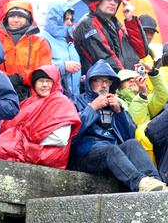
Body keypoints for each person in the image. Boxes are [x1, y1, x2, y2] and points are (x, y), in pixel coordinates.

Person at [69, 60, 167, 192]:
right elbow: (71, 134)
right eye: (99, 81)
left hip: (111, 154)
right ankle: (139, 182)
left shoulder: (114, 104)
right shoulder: (76, 100)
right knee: (110, 149)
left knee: (132, 144)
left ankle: (155, 181)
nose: (104, 85)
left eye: (107, 81)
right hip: (85, 156)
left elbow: (130, 135)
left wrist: (120, 112)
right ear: (90, 82)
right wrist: (92, 108)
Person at [0, 65, 81, 169]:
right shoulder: (29, 102)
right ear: (34, 84)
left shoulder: (62, 103)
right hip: (29, 147)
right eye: (41, 81)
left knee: (3, 146)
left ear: (55, 82)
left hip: (48, 152)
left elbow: (60, 139)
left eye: (48, 81)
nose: (45, 85)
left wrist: (24, 139)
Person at [73, 0, 148, 73]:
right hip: (106, 84)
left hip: (127, 83)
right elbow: (106, 60)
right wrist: (126, 79)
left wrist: (130, 20)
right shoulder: (88, 24)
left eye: (116, 0)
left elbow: (142, 52)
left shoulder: (115, 24)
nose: (113, 3)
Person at [0, 0, 53, 100]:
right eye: (12, 16)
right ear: (6, 18)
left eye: (20, 16)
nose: (16, 20)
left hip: (32, 96)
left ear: (28, 19)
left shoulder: (40, 43)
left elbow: (44, 71)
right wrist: (6, 79)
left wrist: (21, 78)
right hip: (1, 95)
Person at [43, 0, 82, 101]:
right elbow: (39, 68)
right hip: (55, 100)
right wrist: (62, 66)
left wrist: (79, 78)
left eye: (70, 19)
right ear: (56, 19)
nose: (69, 23)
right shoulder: (43, 38)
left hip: (73, 100)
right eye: (65, 19)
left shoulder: (67, 39)